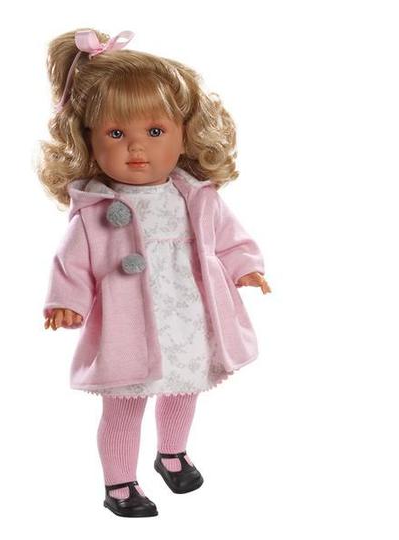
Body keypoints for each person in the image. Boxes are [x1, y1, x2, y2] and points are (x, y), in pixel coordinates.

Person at [37, 28, 271, 518]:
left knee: (185, 386)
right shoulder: (96, 209)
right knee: (125, 403)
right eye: (116, 134)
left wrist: (246, 268)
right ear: (88, 139)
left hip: (188, 318)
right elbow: (71, 262)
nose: (136, 148)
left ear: (185, 133)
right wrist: (67, 302)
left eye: (155, 132)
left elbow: (229, 239)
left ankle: (172, 454)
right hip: (129, 325)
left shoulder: (196, 196)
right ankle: (119, 483)